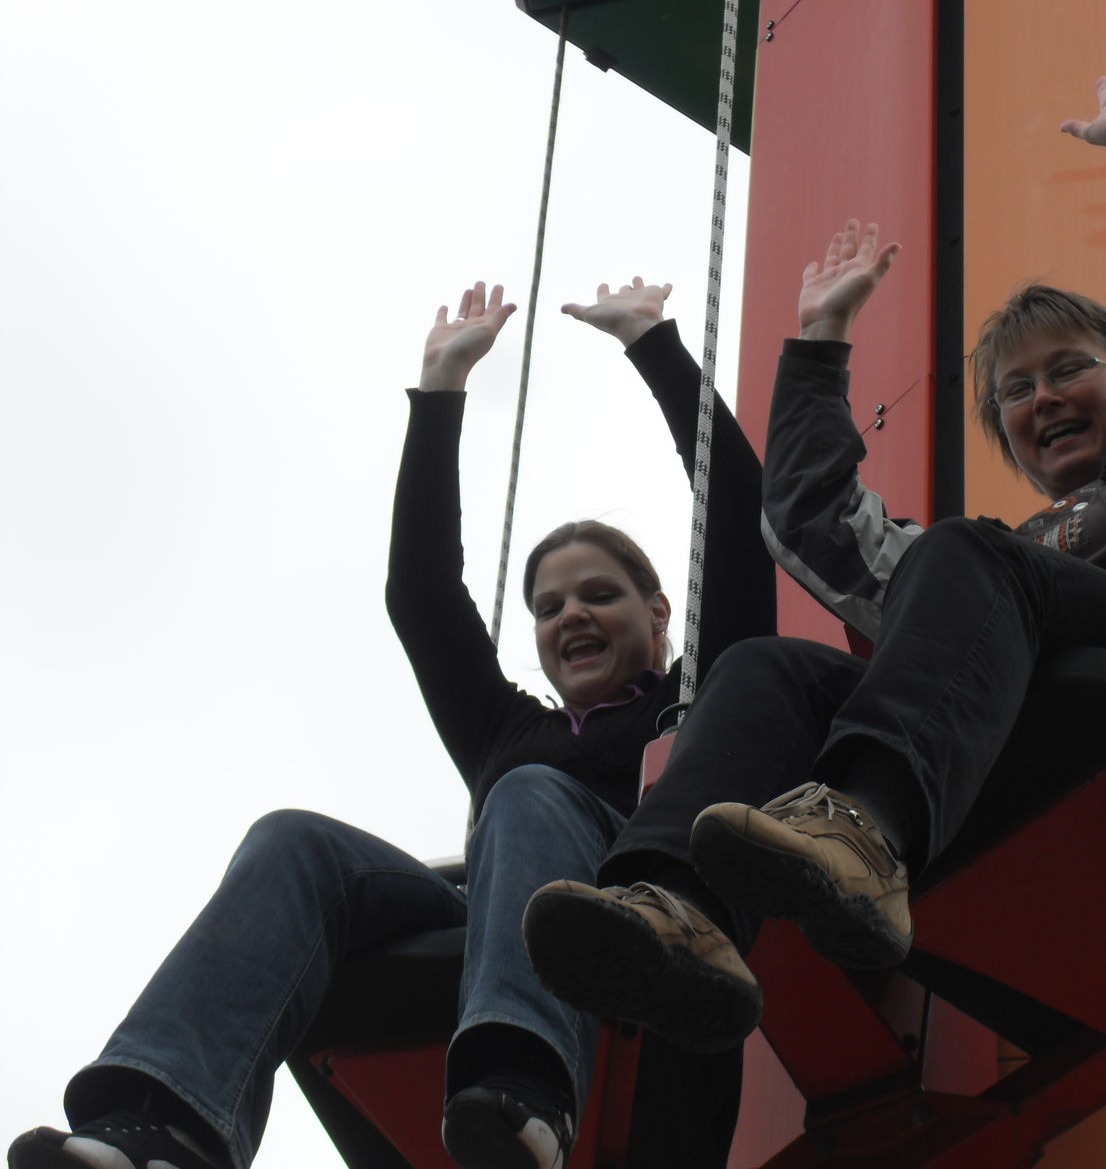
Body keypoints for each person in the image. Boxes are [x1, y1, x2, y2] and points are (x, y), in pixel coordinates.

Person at [521, 40, 1106, 1055]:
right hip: (1039, 744)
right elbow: (812, 527)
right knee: (768, 669)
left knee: (970, 557)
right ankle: (675, 908)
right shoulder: (984, 585)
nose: (1043, 397)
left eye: (1069, 369)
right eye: (1015, 390)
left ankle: (866, 829)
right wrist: (818, 345)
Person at [9, 279, 773, 1169]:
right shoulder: (506, 733)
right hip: (498, 917)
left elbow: (738, 520)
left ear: (658, 611)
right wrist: (440, 392)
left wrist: (656, 349)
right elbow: (421, 596)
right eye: (548, 605)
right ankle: (161, 1124)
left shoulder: (701, 698)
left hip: (639, 917)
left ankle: (522, 1088)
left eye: (599, 595)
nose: (570, 614)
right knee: (294, 842)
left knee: (531, 796)